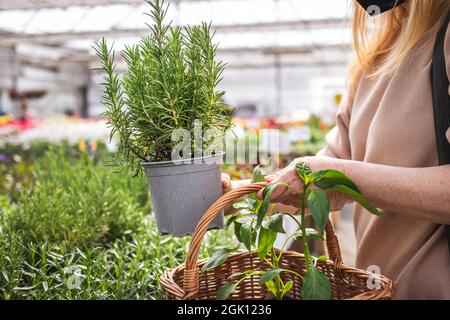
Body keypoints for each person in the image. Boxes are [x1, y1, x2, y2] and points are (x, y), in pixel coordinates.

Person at [222, 0, 450, 299]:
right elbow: (324, 181)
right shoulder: (375, 61)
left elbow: (336, 173)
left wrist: (342, 174)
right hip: (379, 290)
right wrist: (233, 193)